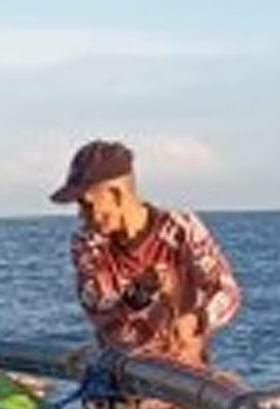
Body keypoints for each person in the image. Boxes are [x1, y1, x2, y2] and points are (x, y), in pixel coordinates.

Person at [52, 140, 241, 369]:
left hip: (183, 377)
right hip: (121, 377)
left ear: (116, 194)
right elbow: (99, 310)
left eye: (88, 205)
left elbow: (227, 291)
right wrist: (138, 294)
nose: (82, 215)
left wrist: (197, 319)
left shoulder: (181, 229)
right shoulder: (88, 244)